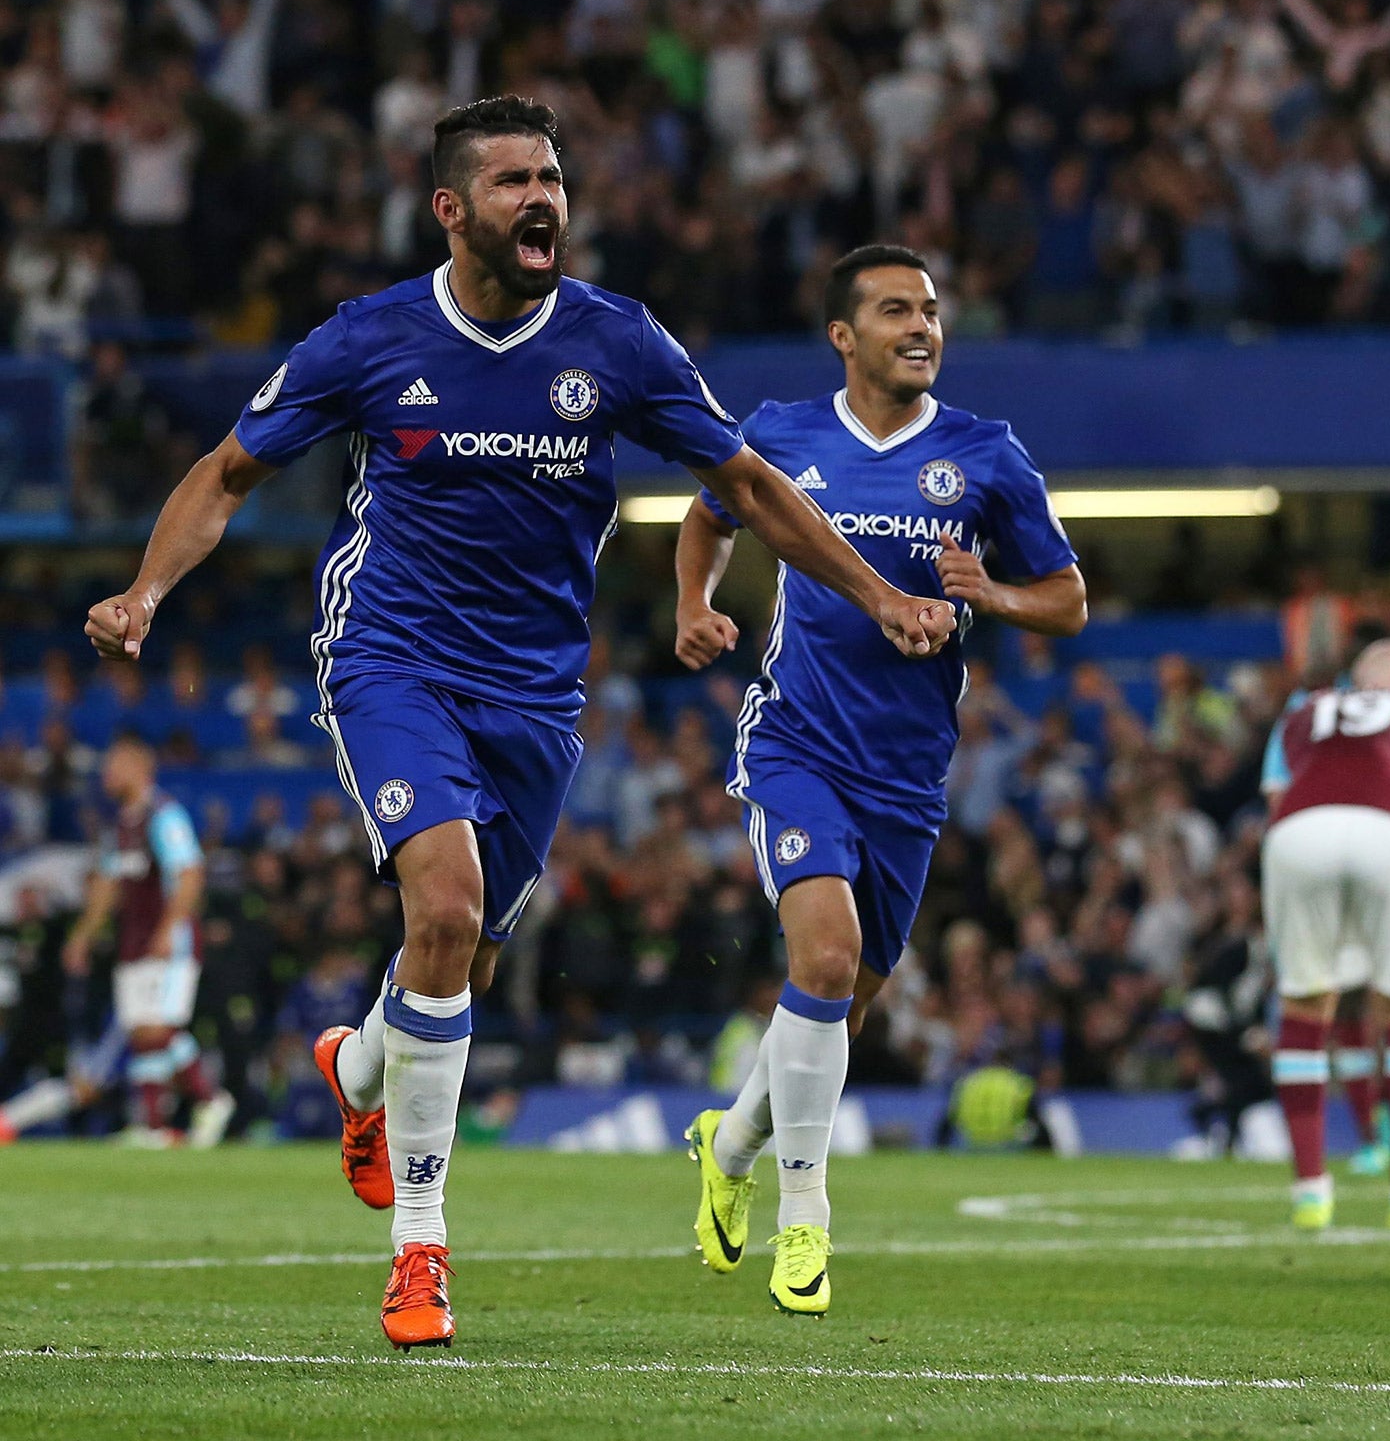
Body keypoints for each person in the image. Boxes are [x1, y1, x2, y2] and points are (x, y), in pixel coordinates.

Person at [81, 98, 956, 1350]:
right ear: (451, 209)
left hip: (538, 693)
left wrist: (874, 591)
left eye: (551, 178)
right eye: (510, 182)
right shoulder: (373, 338)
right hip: (390, 658)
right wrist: (147, 590)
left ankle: (358, 1072)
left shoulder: (618, 343)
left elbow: (748, 486)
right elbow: (229, 472)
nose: (541, 199)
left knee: (464, 963)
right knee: (440, 910)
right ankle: (422, 1256)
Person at [674, 244, 1087, 1316]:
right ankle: (803, 1221)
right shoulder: (780, 434)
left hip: (907, 776)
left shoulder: (985, 456)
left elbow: (1069, 599)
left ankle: (730, 1149)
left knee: (837, 1002)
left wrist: (988, 596)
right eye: (895, 308)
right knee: (824, 954)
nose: (922, 326)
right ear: (842, 336)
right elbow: (707, 517)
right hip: (796, 744)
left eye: (932, 310)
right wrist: (693, 602)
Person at [1259, 639, 1390, 1232]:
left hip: (1299, 831)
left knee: (1304, 1003)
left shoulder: (1300, 711)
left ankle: (1310, 1193)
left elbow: (1277, 798)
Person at [59, 733, 235, 1148]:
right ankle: (153, 1127)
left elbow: (190, 874)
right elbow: (107, 883)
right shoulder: (121, 822)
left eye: (114, 765)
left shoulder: (163, 815)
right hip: (132, 943)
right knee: (141, 1033)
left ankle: (213, 1100)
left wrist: (167, 928)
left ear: (141, 768)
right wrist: (83, 936)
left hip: (165, 940)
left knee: (158, 1028)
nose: (106, 773)